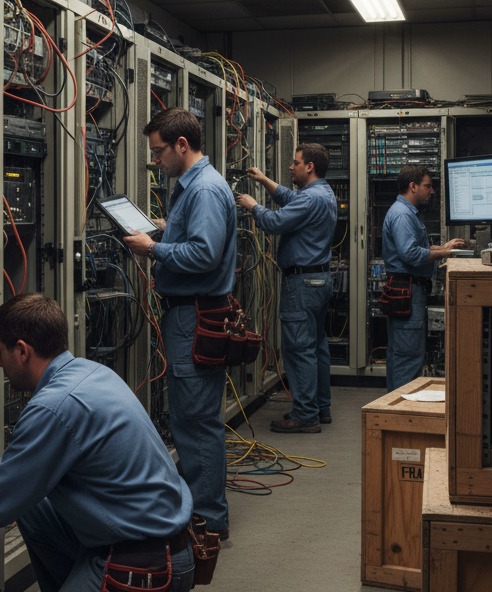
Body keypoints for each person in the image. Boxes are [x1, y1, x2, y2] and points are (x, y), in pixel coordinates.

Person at [0, 293, 195, 592]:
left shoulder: (54, 406)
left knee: (20, 498)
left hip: (143, 567)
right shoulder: (89, 372)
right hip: (164, 547)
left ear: (22, 351)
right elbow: (19, 467)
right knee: (34, 505)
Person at [122, 107, 236, 541]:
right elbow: (198, 240)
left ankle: (206, 520)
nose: (156, 162)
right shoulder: (197, 187)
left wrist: (154, 249)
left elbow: (205, 254)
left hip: (194, 316)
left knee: (195, 420)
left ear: (181, 146)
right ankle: (205, 510)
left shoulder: (204, 189)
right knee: (195, 418)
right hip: (193, 314)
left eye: (158, 153)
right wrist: (169, 231)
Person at [235, 143, 337, 433]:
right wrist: (265, 181)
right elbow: (292, 199)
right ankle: (320, 407)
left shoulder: (311, 198)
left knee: (299, 350)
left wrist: (253, 206)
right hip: (319, 281)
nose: (291, 167)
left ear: (310, 167)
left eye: (295, 163)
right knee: (316, 347)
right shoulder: (322, 193)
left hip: (301, 283)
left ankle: (305, 416)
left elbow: (275, 222)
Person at [381, 165, 465, 392]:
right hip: (408, 291)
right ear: (413, 186)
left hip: (408, 290)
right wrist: (445, 253)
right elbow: (410, 254)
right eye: (428, 186)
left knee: (402, 354)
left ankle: (396, 412)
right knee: (407, 357)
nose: (432, 191)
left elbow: (415, 248)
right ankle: (401, 417)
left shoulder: (406, 212)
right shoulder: (402, 215)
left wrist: (442, 247)